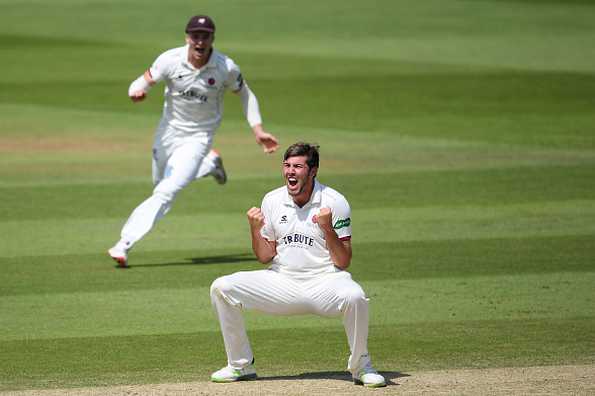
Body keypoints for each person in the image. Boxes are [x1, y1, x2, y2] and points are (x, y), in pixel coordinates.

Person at [209, 142, 386, 388]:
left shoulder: (335, 202)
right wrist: (255, 229)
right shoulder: (272, 200)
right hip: (282, 281)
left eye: (298, 167)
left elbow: (343, 261)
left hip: (325, 281)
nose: (291, 172)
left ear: (313, 171)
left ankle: (361, 367)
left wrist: (326, 227)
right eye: (287, 166)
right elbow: (265, 256)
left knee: (355, 296)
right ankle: (240, 365)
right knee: (222, 287)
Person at [108, 15, 279, 267]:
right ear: (187, 37)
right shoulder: (169, 60)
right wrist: (137, 90)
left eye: (205, 36)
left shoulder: (225, 67)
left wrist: (258, 129)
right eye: (195, 36)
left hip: (199, 138)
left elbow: (245, 94)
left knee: (165, 192)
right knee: (160, 184)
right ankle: (210, 165)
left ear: (212, 38)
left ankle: (123, 244)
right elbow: (141, 81)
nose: (200, 41)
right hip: (167, 134)